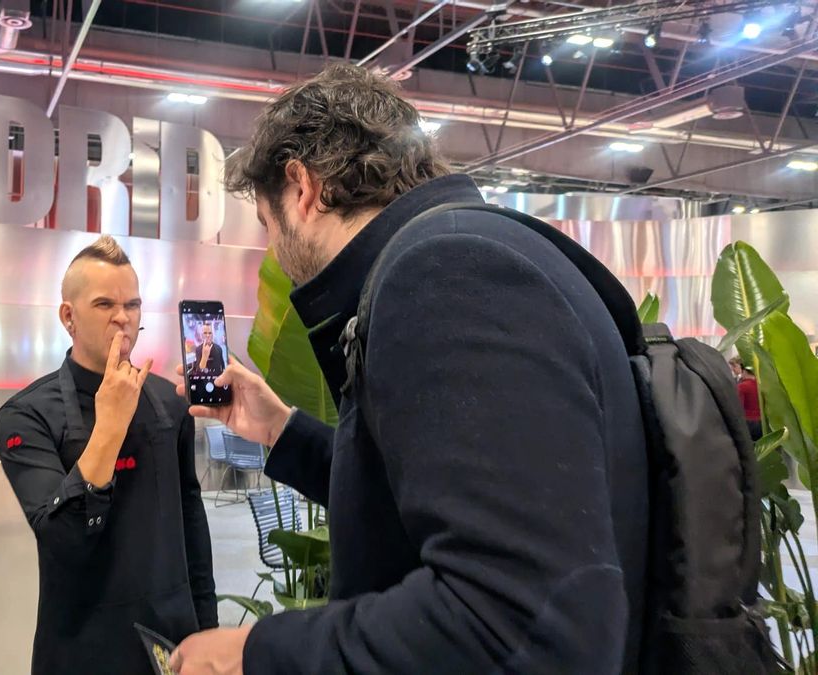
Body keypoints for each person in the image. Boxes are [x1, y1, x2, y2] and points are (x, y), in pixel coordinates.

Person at [170, 64, 648, 674]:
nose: (273, 250)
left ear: (304, 188)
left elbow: (518, 621)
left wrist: (259, 651)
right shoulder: (469, 249)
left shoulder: (445, 273)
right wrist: (281, 430)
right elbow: (417, 496)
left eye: (268, 223)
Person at [0, 236, 217, 674]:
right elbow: (64, 540)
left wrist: (207, 632)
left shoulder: (170, 405)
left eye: (132, 305)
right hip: (82, 647)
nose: (122, 318)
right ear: (68, 316)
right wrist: (110, 424)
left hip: (172, 641)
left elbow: (192, 524)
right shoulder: (26, 417)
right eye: (104, 305)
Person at [730, 356, 762, 440]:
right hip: (761, 422)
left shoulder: (742, 386)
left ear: (744, 371)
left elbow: (738, 407)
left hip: (748, 422)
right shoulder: (760, 386)